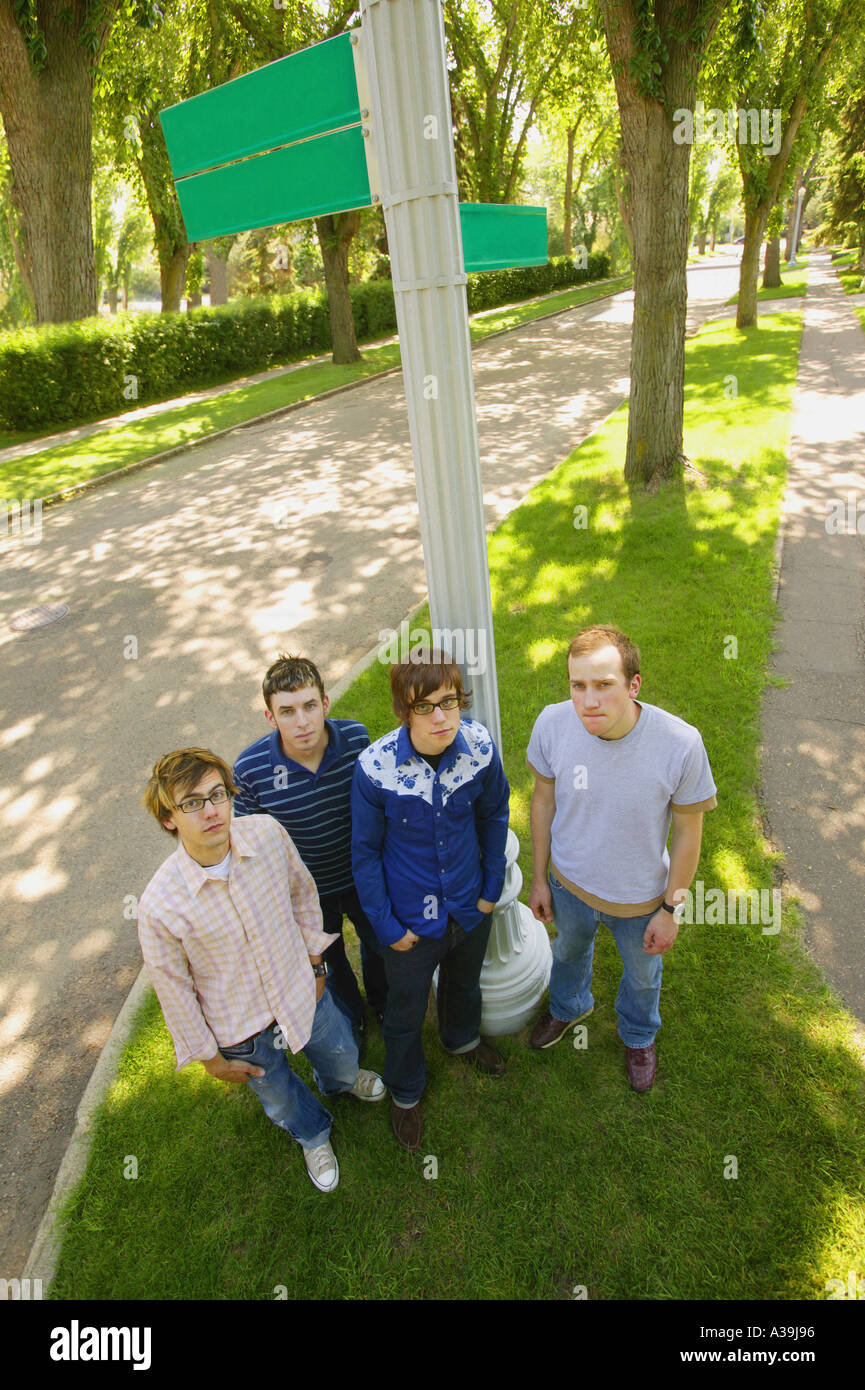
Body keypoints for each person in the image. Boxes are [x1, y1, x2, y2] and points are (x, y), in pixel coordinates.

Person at [137, 747, 385, 1194]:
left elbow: (303, 895)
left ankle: (342, 1082)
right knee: (280, 1096)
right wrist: (211, 1058)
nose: (211, 810)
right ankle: (313, 1135)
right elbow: (174, 990)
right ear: (169, 818)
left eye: (218, 794)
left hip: (302, 989)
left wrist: (315, 962)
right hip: (242, 1030)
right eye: (192, 802)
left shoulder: (268, 834)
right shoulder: (159, 906)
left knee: (340, 1052)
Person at [526, 625, 717, 1090]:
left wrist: (671, 909)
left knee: (643, 975)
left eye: (604, 685)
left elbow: (689, 834)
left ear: (633, 685)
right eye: (578, 685)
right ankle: (569, 1007)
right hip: (568, 883)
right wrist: (538, 879)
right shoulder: (552, 723)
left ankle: (637, 1035)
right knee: (567, 951)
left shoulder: (680, 744)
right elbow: (543, 801)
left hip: (641, 898)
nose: (589, 701)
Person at [351, 648, 510, 1151]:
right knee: (403, 1015)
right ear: (404, 710)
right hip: (408, 927)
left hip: (469, 908)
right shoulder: (375, 768)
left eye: (449, 701)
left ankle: (461, 1040)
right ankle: (405, 1093)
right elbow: (365, 853)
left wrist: (489, 893)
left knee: (464, 986)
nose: (441, 718)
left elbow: (495, 815)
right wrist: (387, 928)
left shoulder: (480, 746)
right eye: (424, 706)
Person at [232, 654, 388, 1055]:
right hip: (306, 894)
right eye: (287, 711)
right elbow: (250, 846)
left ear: (325, 704)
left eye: (309, 706)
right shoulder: (250, 770)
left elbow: (378, 805)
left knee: (378, 945)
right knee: (329, 963)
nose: (301, 721)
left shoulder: (355, 739)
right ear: (270, 717)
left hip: (363, 876)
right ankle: (351, 1016)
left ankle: (384, 1004)